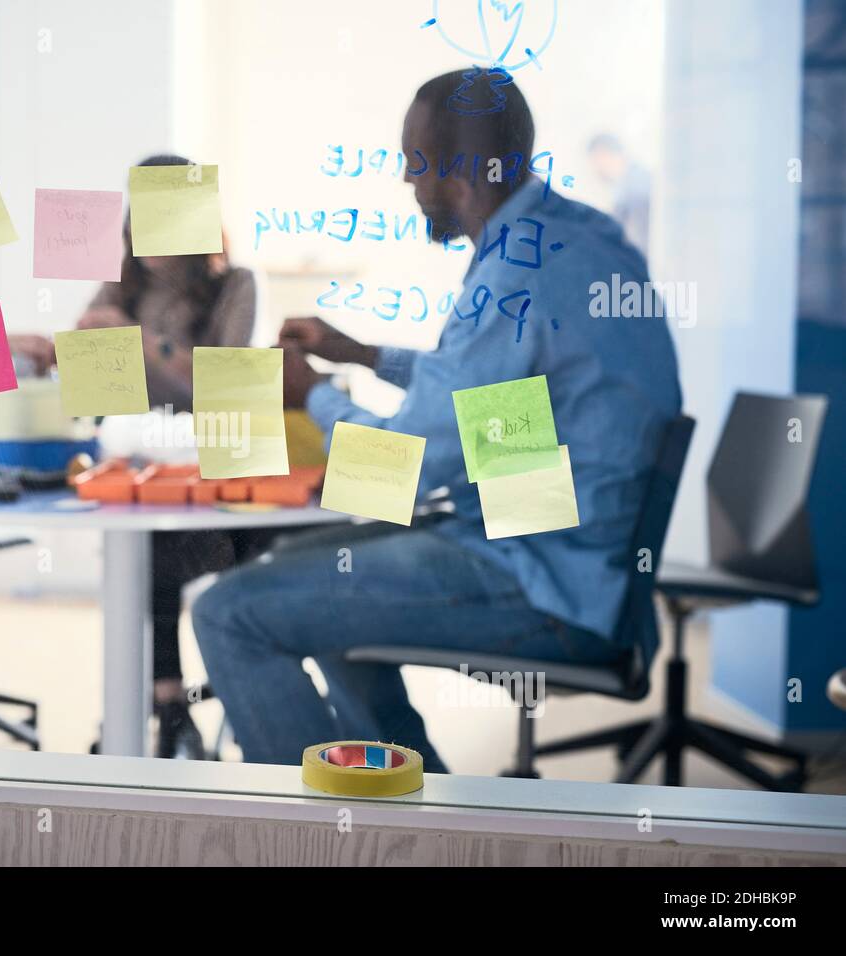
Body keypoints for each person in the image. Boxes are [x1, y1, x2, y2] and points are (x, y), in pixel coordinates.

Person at [192, 70, 682, 771]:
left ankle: (316, 838)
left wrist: (314, 395)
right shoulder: (566, 238)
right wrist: (362, 354)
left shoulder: (518, 277)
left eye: (413, 161)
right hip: (563, 545)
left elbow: (396, 475)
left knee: (228, 612)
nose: (403, 180)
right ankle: (406, 817)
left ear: (457, 173)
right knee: (304, 570)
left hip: (550, 583)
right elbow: (481, 388)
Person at [13, 154, 261, 758]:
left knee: (152, 551)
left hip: (220, 488)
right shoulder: (122, 286)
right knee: (140, 542)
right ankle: (168, 706)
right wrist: (64, 356)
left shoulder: (236, 286)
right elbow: (96, 401)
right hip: (142, 473)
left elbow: (223, 392)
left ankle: (161, 706)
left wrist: (150, 345)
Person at [587, 133, 652, 255]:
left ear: (602, 155)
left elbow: (632, 242)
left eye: (595, 162)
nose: (595, 171)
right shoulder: (635, 181)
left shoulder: (633, 188)